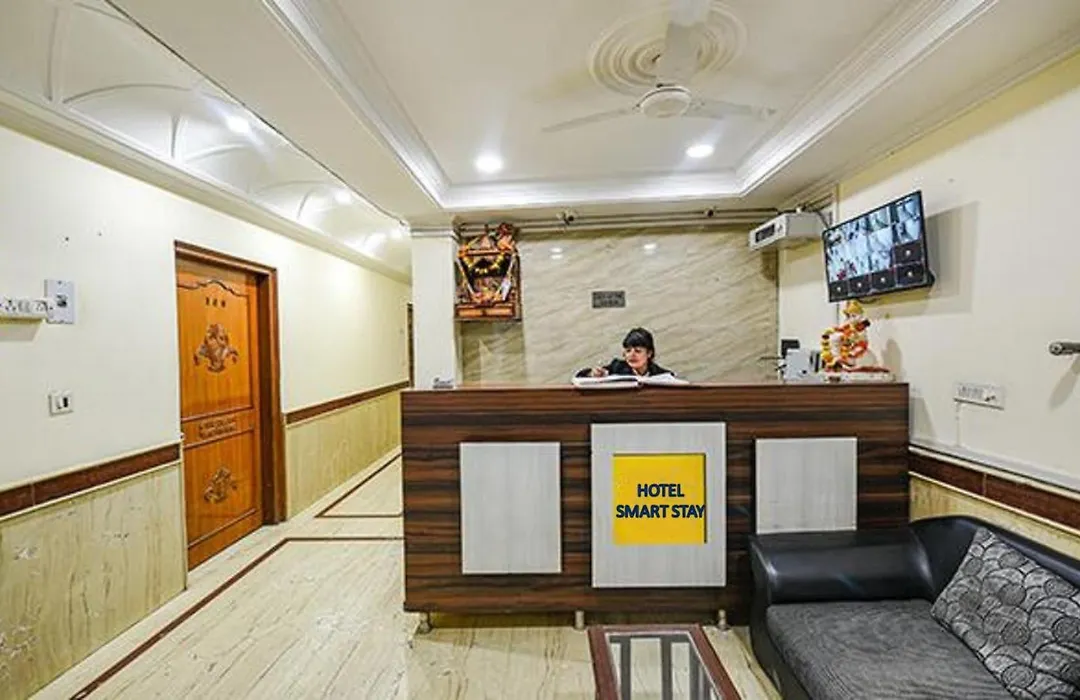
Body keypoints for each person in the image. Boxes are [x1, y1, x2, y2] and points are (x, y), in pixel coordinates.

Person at [576, 327, 674, 378]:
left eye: (638, 351)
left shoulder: (662, 375)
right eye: (628, 351)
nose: (632, 355)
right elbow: (580, 376)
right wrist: (592, 374)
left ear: (649, 353)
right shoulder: (617, 367)